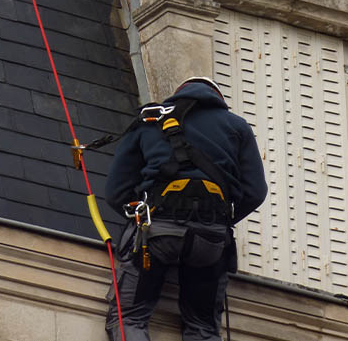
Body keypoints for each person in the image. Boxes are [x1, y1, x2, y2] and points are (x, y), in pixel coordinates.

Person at [104, 76, 267, 341]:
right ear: (218, 99)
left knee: (129, 318)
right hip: (211, 240)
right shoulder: (238, 127)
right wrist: (225, 219)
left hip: (156, 231)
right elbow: (256, 192)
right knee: (203, 329)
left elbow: (116, 191)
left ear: (177, 95)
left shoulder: (150, 120)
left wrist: (136, 211)